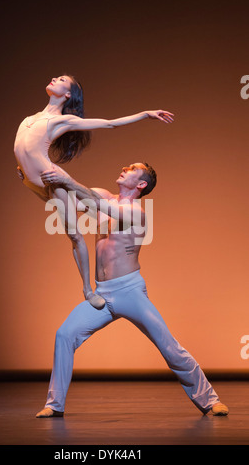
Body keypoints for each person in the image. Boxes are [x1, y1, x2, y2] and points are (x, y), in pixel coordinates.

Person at [35, 161, 229, 418]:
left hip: (130, 291)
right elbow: (64, 201)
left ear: (141, 184)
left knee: (168, 347)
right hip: (101, 295)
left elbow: (97, 203)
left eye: (133, 168)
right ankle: (54, 404)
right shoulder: (103, 195)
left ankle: (210, 400)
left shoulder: (137, 212)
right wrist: (34, 179)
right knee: (64, 335)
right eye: (126, 165)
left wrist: (67, 180)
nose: (125, 167)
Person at [14, 74, 174, 308]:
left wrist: (144, 114)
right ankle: (90, 291)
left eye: (61, 80)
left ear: (68, 94)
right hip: (36, 180)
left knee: (75, 235)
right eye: (56, 77)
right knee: (58, 206)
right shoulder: (30, 118)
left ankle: (88, 290)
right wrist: (28, 180)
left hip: (53, 178)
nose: (54, 78)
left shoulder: (63, 120)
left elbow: (109, 123)